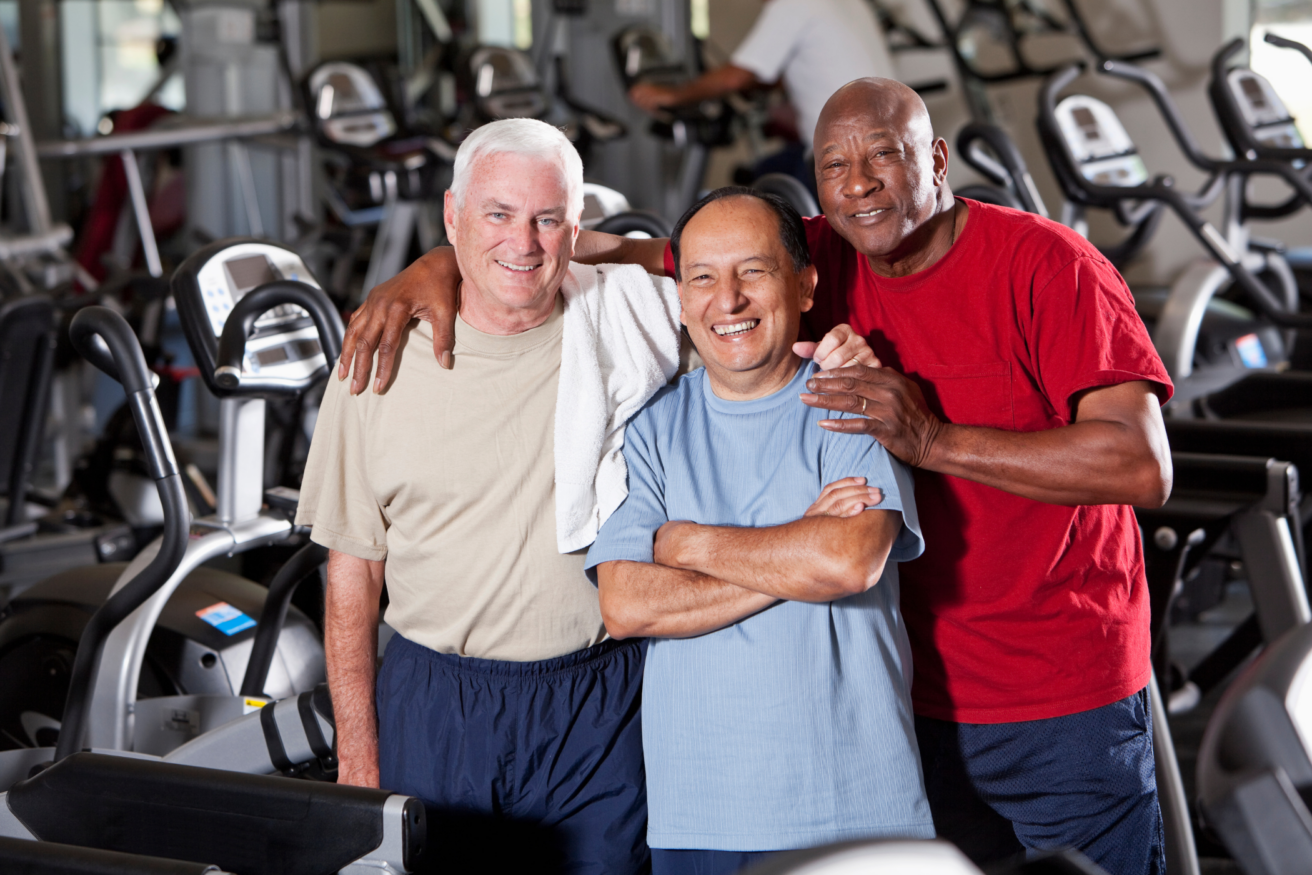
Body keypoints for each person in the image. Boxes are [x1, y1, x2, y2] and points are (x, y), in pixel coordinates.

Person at [334, 76, 1175, 875]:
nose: (860, 186)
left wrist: (931, 441)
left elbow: (1140, 465)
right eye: (835, 168)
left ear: (939, 160)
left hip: (1055, 693)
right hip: (914, 698)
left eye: (884, 155)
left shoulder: (1046, 267)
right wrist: (432, 267)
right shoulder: (811, 252)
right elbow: (582, 249)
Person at [303, 117, 874, 875]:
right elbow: (351, 577)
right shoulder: (375, 362)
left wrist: (839, 344)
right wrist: (357, 764)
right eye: (497, 215)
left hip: (598, 697)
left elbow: (739, 303)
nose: (524, 242)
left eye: (547, 219)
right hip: (439, 701)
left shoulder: (633, 319)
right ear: (452, 219)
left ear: (577, 228)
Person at [588, 187, 932, 875]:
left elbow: (848, 562)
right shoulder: (649, 429)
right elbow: (627, 604)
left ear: (804, 285)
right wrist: (801, 539)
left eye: (753, 271)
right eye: (703, 278)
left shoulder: (853, 400)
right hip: (700, 811)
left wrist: (687, 543)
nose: (729, 300)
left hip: (856, 806)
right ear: (680, 299)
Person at [628, 0, 894, 186]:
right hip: (886, 147)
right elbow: (800, 70)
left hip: (845, 158)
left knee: (766, 189)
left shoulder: (792, 5)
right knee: (767, 172)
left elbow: (735, 77)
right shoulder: (851, 3)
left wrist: (671, 95)